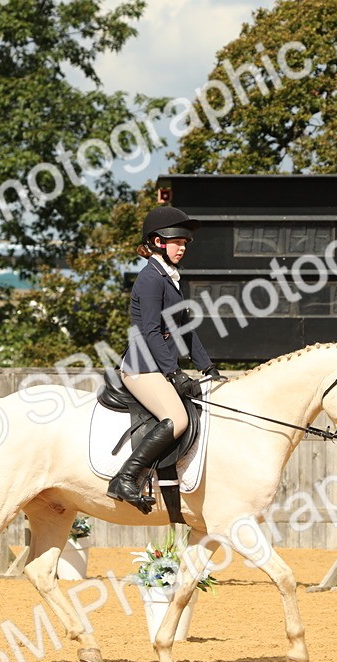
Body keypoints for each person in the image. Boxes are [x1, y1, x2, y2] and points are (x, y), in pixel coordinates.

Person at [107, 206, 222, 513]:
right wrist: (173, 373)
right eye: (177, 242)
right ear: (158, 242)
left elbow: (185, 330)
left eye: (185, 243)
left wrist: (207, 367)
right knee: (177, 419)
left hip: (158, 368)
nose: (182, 247)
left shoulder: (170, 279)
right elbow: (150, 331)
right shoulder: (150, 279)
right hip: (141, 368)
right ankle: (125, 478)